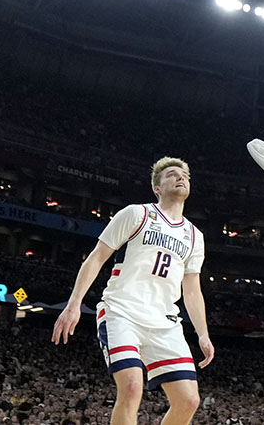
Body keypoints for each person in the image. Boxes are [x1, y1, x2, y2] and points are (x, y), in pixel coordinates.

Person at [51, 157, 213, 425]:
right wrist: (73, 305)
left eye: (184, 175)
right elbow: (96, 257)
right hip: (122, 312)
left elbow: (192, 290)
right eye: (172, 174)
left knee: (189, 400)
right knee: (131, 387)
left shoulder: (195, 236)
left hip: (164, 322)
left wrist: (203, 334)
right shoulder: (136, 214)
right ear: (157, 188)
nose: (180, 177)